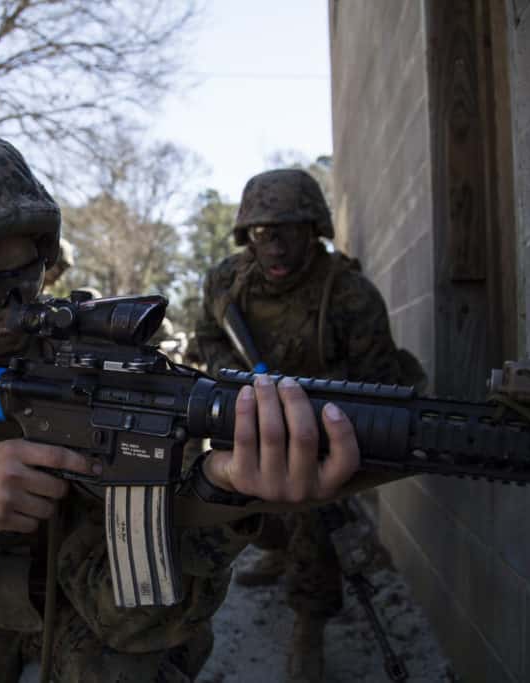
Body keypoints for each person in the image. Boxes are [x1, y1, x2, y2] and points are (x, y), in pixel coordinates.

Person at [0, 134, 363, 682]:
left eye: (26, 274)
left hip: (82, 639)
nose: (14, 309)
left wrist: (220, 494)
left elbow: (141, 618)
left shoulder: (90, 368)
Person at [194, 168, 425, 681]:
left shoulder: (348, 294)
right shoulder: (226, 282)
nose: (273, 248)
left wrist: (328, 414)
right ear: (246, 236)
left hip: (326, 425)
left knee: (308, 510)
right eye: (261, 234)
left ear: (314, 229)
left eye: (288, 232)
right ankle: (276, 554)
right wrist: (236, 375)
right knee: (246, 504)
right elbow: (206, 337)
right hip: (251, 413)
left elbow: (379, 382)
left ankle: (309, 621)